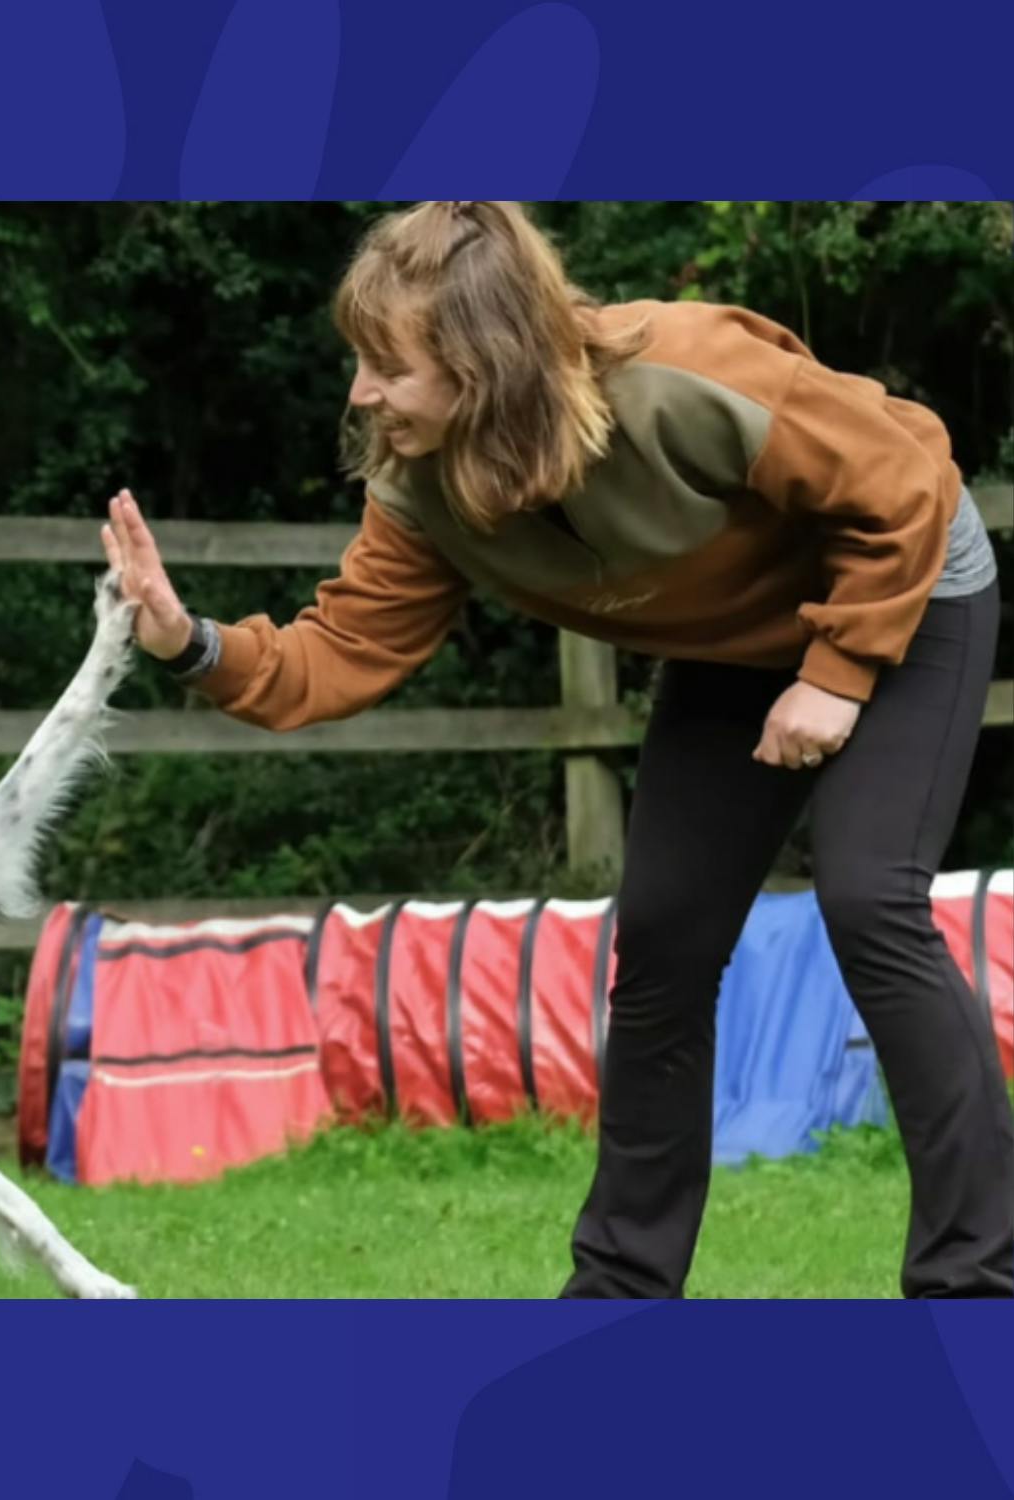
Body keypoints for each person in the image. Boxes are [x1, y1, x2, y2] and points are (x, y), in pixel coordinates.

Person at [99, 200, 1013, 1299]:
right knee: (664, 938)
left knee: (869, 902)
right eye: (360, 362)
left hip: (907, 584)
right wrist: (189, 643)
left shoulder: (683, 375)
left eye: (388, 367)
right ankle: (620, 1294)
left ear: (483, 362)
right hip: (738, 646)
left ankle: (973, 1288)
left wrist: (838, 671)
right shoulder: (426, 486)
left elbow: (903, 486)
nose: (359, 393)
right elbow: (335, 654)